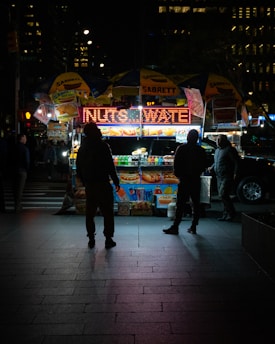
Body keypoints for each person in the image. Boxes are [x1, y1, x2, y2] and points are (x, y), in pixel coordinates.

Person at [76, 122, 120, 249]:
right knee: (107, 212)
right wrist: (115, 180)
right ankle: (108, 238)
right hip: (103, 184)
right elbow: (109, 165)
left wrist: (85, 182)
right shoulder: (103, 146)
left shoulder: (82, 148)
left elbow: (78, 167)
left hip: (90, 185)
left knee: (90, 213)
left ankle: (91, 238)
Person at [163, 129, 207, 235]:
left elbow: (176, 164)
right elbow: (204, 165)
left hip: (184, 180)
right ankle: (193, 226)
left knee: (180, 204)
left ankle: (176, 226)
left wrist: (178, 175)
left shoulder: (182, 148)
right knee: (195, 204)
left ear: (188, 137)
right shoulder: (201, 150)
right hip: (195, 180)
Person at [209, 134, 239, 221]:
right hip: (219, 176)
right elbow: (217, 162)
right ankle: (226, 214)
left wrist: (235, 173)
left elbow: (236, 162)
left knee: (223, 194)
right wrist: (212, 167)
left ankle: (231, 213)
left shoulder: (229, 150)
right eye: (217, 140)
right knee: (221, 196)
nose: (218, 142)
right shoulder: (217, 150)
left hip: (227, 176)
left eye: (220, 140)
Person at [11, 133, 30, 213]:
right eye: (25, 138)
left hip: (13, 170)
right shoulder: (24, 148)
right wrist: (27, 169)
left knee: (15, 188)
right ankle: (17, 206)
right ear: (22, 138)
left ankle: (17, 204)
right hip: (22, 170)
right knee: (20, 189)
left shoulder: (13, 148)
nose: (26, 140)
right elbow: (27, 161)